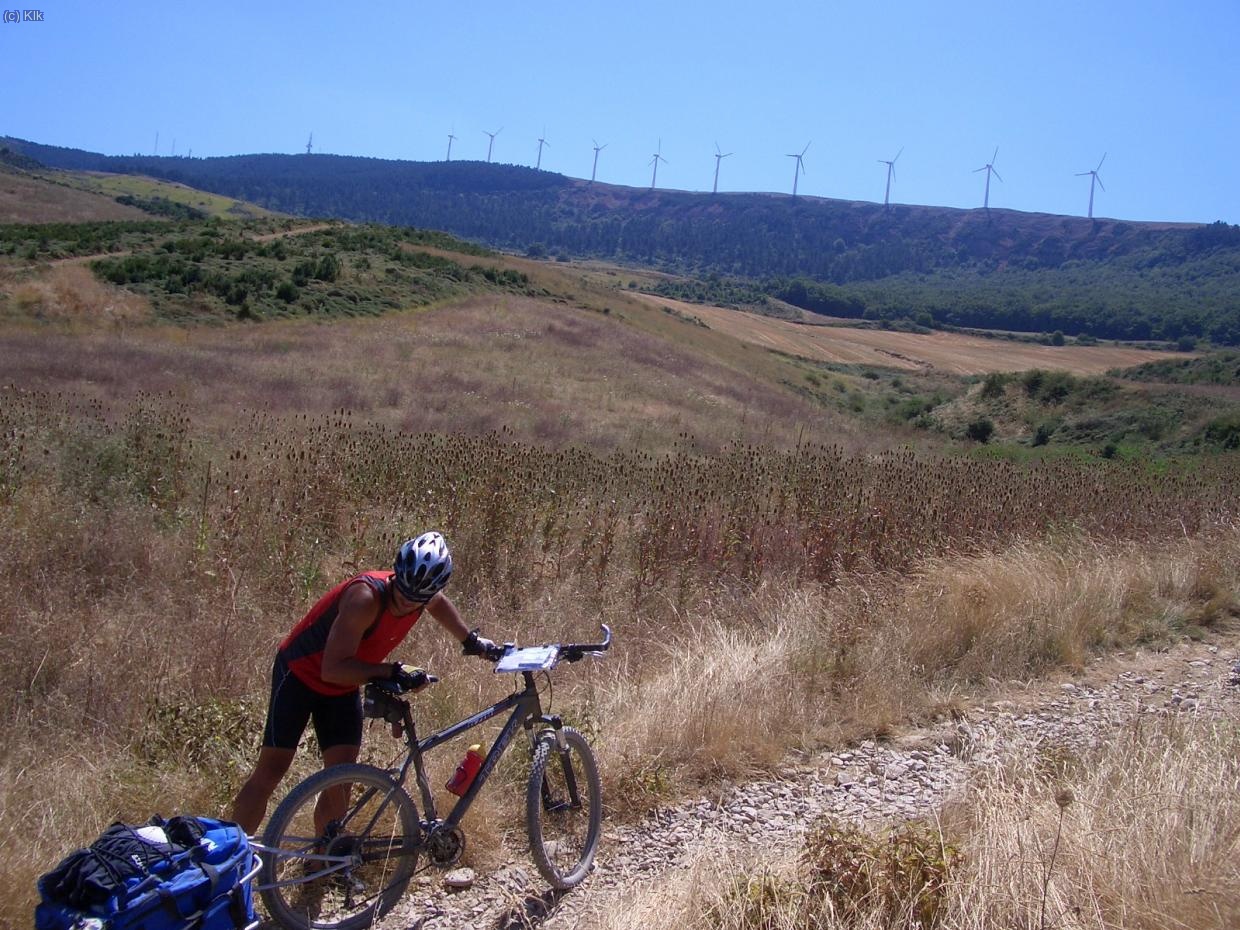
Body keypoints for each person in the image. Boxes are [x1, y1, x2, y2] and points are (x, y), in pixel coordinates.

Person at [229, 531, 504, 835]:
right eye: (402, 592)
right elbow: (330, 669)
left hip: (344, 685)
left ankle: (322, 863)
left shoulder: (422, 594)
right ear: (396, 575)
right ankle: (231, 860)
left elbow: (437, 604)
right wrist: (391, 671)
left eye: (417, 600)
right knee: (271, 771)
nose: (405, 603)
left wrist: (471, 641)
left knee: (339, 781)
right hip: (300, 674)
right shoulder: (365, 598)